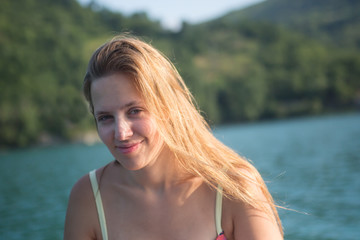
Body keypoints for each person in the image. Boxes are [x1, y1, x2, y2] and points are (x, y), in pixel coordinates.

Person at [64, 35, 283, 240]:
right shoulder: (88, 198)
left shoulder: (233, 187)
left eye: (134, 111)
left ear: (167, 107)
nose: (121, 133)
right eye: (105, 117)